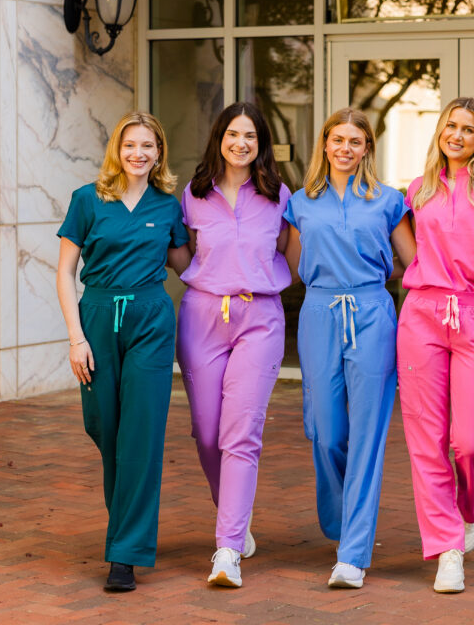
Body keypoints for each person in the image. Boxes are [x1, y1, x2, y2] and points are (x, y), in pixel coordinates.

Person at [56, 111, 191, 593]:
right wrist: (76, 338)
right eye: (131, 145)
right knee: (103, 426)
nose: (139, 153)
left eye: (148, 147)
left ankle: (125, 554)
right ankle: (126, 532)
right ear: (118, 149)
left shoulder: (168, 206)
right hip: (96, 317)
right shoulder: (87, 200)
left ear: (159, 154)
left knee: (141, 433)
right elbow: (65, 272)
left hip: (150, 319)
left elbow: (186, 263)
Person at [285, 107, 416, 590]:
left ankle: (353, 553)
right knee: (326, 431)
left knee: (367, 435)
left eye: (355, 142)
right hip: (319, 313)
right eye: (337, 139)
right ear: (324, 144)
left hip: (372, 315)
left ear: (367, 150)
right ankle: (342, 523)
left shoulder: (388, 201)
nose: (345, 148)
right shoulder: (300, 202)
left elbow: (413, 262)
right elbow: (295, 262)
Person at [396, 97, 474, 594]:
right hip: (422, 315)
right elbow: (407, 248)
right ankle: (447, 550)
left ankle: (468, 509)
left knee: (468, 442)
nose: (458, 135)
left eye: (469, 129)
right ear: (439, 132)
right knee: (425, 440)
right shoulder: (417, 190)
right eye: (451, 125)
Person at [176, 102, 291, 589]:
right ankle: (235, 520)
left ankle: (227, 549)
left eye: (251, 136)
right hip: (202, 315)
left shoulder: (278, 196)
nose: (241, 143)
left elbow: (289, 251)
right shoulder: (192, 195)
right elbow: (180, 250)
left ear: (261, 144)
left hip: (259, 317)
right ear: (218, 138)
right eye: (232, 134)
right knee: (207, 434)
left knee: (240, 433)